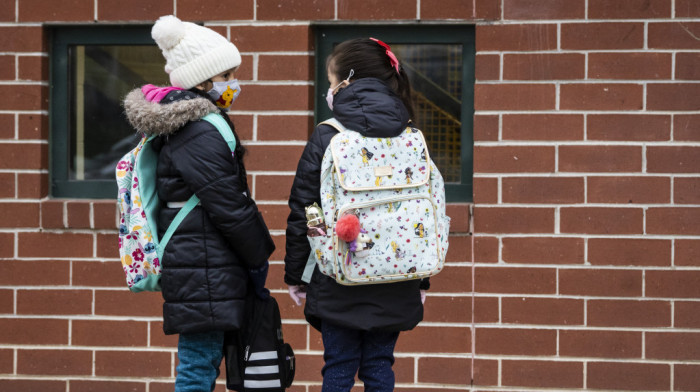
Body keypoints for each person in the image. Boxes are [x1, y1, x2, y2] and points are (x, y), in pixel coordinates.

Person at [123, 15, 274, 392]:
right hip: (203, 262)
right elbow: (228, 203)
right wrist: (259, 254)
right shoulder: (199, 129)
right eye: (227, 75)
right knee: (198, 364)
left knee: (202, 359)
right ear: (203, 79)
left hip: (201, 258)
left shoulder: (190, 123)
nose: (234, 84)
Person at [284, 37, 429, 392]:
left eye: (331, 83)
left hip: (338, 275)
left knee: (339, 367)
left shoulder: (328, 135)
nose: (329, 91)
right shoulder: (411, 135)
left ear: (346, 84)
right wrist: (422, 279)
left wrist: (295, 274)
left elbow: (306, 208)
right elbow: (425, 212)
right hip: (398, 276)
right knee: (380, 367)